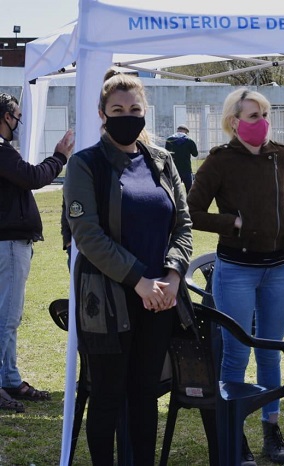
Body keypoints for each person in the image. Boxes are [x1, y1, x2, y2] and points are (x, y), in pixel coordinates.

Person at [63, 69, 193, 465]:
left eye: (134, 108)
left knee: (144, 395)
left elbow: (183, 225)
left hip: (160, 300)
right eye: (117, 108)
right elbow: (87, 235)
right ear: (102, 113)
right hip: (105, 303)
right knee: (107, 396)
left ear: (145, 113)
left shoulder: (162, 160)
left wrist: (171, 276)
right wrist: (140, 280)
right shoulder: (85, 165)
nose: (127, 115)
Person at [187, 88, 284, 465]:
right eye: (253, 115)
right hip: (236, 268)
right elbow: (191, 211)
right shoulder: (219, 161)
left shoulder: (280, 154)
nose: (262, 121)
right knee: (236, 351)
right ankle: (234, 436)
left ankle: (272, 431)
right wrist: (232, 223)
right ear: (234, 121)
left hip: (281, 266)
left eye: (265, 113)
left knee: (271, 349)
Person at [0, 93, 74, 413]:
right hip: (10, 246)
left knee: (8, 317)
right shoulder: (2, 152)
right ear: (5, 116)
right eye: (17, 115)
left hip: (11, 244)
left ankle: (10, 378)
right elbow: (33, 177)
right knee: (7, 317)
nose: (19, 121)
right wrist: (59, 156)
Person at [165, 124, 198, 193]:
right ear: (185, 132)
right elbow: (195, 154)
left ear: (177, 131)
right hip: (186, 168)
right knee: (189, 190)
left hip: (173, 169)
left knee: (173, 190)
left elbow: (166, 154)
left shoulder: (169, 140)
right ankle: (189, 203)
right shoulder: (189, 141)